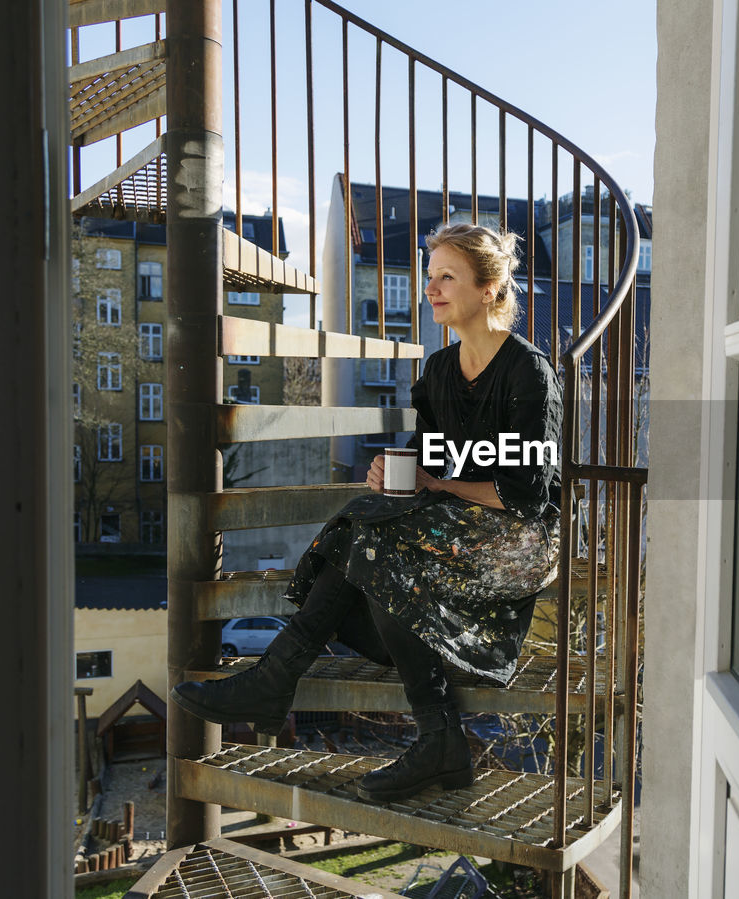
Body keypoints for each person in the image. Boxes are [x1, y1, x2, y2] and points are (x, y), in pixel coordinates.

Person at [171, 222, 563, 803]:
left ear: (488, 289)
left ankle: (278, 682)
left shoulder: (528, 373)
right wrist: (400, 475)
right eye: (429, 278)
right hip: (462, 522)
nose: (430, 289)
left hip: (519, 540)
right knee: (368, 521)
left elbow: (527, 493)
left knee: (369, 539)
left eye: (446, 278)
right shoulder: (437, 372)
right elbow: (441, 463)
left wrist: (435, 480)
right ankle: (436, 737)